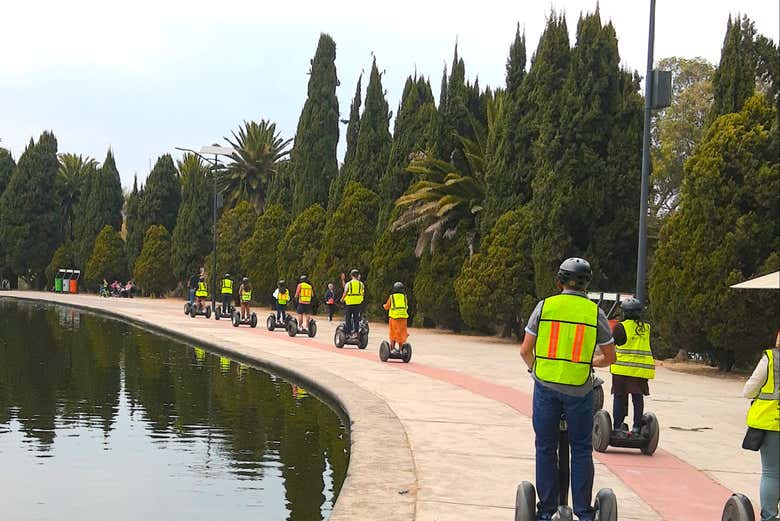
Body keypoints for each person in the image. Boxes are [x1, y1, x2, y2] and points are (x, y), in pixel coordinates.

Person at [519, 257, 616, 521]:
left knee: (545, 447)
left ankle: (546, 511)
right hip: (579, 391)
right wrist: (590, 363)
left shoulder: (545, 306)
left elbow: (525, 350)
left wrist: (536, 370)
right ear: (587, 285)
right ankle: (584, 512)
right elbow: (610, 357)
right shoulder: (594, 313)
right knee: (581, 449)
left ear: (559, 282)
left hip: (545, 388)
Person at [743, 337, 780, 521]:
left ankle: (769, 517)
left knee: (771, 473)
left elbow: (748, 391)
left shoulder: (771, 359)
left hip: (772, 423)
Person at [610, 297, 655, 436]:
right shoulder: (646, 328)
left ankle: (617, 427)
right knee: (637, 397)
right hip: (640, 371)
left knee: (619, 397)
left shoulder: (620, 327)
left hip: (622, 370)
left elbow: (611, 344)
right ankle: (636, 428)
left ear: (624, 312)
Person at [383, 282, 409, 353]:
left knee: (393, 333)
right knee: (401, 333)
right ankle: (401, 349)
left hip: (394, 318)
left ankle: (392, 348)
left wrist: (384, 306)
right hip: (403, 318)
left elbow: (387, 306)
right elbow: (406, 307)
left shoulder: (392, 297)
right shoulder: (404, 297)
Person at [341, 268, 365, 336]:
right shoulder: (361, 284)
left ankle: (348, 332)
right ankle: (356, 332)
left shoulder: (349, 284)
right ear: (358, 276)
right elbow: (363, 293)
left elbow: (345, 292)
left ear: (351, 275)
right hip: (358, 303)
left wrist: (342, 299)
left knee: (348, 318)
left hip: (349, 303)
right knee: (356, 318)